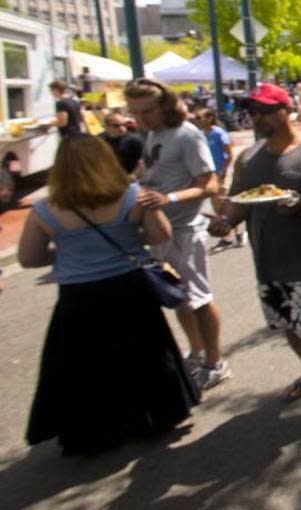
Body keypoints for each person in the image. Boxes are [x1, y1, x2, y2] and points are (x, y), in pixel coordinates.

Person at [18, 134, 199, 455]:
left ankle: (98, 429)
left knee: (87, 365)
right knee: (144, 354)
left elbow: (29, 258)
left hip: (79, 295)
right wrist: (131, 240)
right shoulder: (132, 196)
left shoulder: (46, 209)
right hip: (129, 287)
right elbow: (160, 235)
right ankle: (153, 416)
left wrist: (66, 255)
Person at [206, 83, 301, 448]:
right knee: (287, 326)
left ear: (285, 110)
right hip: (268, 260)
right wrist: (225, 220)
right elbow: (239, 201)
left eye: (263, 111)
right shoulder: (247, 158)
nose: (256, 119)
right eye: (252, 112)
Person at [125, 78, 231, 391]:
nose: (142, 119)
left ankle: (215, 361)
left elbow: (208, 184)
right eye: (135, 112)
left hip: (185, 230)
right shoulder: (155, 134)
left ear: (164, 105)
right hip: (161, 230)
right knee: (179, 298)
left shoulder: (187, 135)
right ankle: (198, 353)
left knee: (199, 298)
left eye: (147, 111)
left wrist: (168, 199)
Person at [191, 108, 242, 251]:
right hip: (210, 175)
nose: (196, 120)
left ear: (209, 118)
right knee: (218, 206)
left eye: (199, 117)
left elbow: (229, 154)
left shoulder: (219, 133)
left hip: (221, 173)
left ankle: (233, 234)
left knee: (224, 204)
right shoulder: (199, 134)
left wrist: (223, 172)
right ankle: (230, 235)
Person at [98, 110, 145, 176]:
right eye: (116, 126)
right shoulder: (100, 139)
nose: (122, 128)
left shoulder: (134, 140)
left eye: (124, 124)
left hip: (130, 180)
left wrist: (132, 177)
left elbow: (144, 161)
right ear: (106, 127)